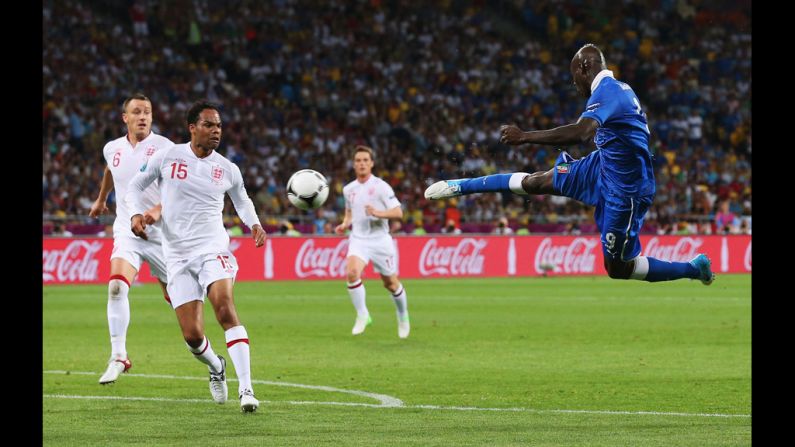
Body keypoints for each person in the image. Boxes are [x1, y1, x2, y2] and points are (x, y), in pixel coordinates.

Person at [425, 44, 715, 285]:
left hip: (625, 191)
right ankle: (459, 186)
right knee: (536, 182)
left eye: (573, 76)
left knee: (617, 269)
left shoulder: (611, 92)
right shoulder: (615, 91)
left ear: (583, 69)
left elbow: (581, 132)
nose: (574, 84)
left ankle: (693, 268)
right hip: (601, 168)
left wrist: (524, 136)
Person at [126, 100, 267, 412]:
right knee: (192, 336)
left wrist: (254, 224)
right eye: (208, 125)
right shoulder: (168, 156)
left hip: (213, 250)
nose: (216, 131)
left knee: (225, 309)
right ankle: (216, 367)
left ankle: (247, 390)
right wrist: (136, 215)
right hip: (176, 256)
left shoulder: (227, 168)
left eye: (218, 125)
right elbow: (135, 187)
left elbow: (242, 201)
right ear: (192, 128)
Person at [88, 93, 174, 385]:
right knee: (115, 287)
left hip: (163, 235)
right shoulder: (112, 148)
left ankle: (212, 360)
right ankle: (119, 356)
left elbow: (178, 189)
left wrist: (158, 209)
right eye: (137, 112)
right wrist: (101, 200)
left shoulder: (166, 148)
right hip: (127, 229)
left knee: (182, 304)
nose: (143, 116)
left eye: (147, 112)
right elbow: (111, 170)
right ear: (125, 118)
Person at [335, 145, 410, 338]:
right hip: (359, 239)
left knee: (391, 284)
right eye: (358, 160)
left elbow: (398, 212)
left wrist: (378, 213)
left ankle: (402, 316)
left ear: (372, 163)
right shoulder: (348, 189)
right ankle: (362, 315)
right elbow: (350, 212)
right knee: (352, 273)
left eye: (365, 160)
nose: (362, 164)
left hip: (380, 241)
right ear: (353, 164)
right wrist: (344, 224)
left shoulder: (381, 187)